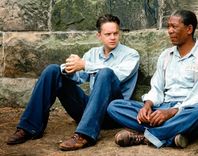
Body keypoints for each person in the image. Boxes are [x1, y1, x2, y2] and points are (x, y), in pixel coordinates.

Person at [6, 14, 140, 151]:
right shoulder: (92, 54)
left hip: (113, 114)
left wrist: (85, 65)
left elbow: (118, 75)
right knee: (53, 70)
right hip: (88, 111)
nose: (112, 37)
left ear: (119, 33)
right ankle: (29, 128)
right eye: (108, 34)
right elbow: (79, 77)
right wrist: (68, 68)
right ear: (99, 35)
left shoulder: (131, 55)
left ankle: (84, 135)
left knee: (106, 73)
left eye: (115, 33)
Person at [107, 9, 198, 148]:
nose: (170, 31)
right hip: (162, 108)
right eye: (168, 27)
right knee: (114, 106)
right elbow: (157, 88)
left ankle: (145, 136)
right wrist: (147, 106)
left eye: (174, 27)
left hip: (185, 111)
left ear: (189, 29)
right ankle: (172, 136)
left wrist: (171, 112)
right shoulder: (166, 56)